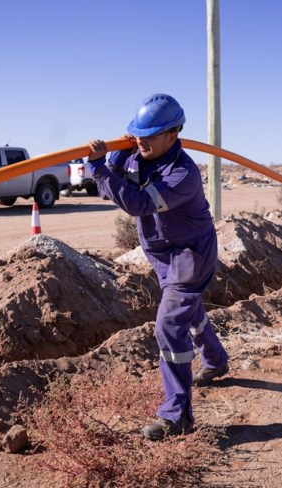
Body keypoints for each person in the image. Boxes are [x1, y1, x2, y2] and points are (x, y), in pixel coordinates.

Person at [86, 93, 229, 441]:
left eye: (150, 135)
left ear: (173, 134)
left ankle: (177, 414)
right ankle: (216, 360)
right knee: (189, 312)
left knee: (169, 325)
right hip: (162, 256)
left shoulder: (183, 174)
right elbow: (110, 190)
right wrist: (109, 161)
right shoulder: (136, 154)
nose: (141, 141)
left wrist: (99, 168)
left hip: (190, 257)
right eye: (138, 134)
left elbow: (136, 204)